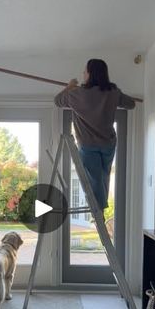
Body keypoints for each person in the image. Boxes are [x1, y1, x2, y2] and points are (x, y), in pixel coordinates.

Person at [54, 58, 135, 215]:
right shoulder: (113, 92)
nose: (83, 74)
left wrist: (69, 87)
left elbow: (57, 101)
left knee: (94, 179)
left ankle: (98, 211)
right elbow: (131, 104)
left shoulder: (76, 94)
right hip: (108, 143)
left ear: (90, 74)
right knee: (103, 176)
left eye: (85, 71)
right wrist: (116, 96)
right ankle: (101, 210)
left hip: (88, 143)